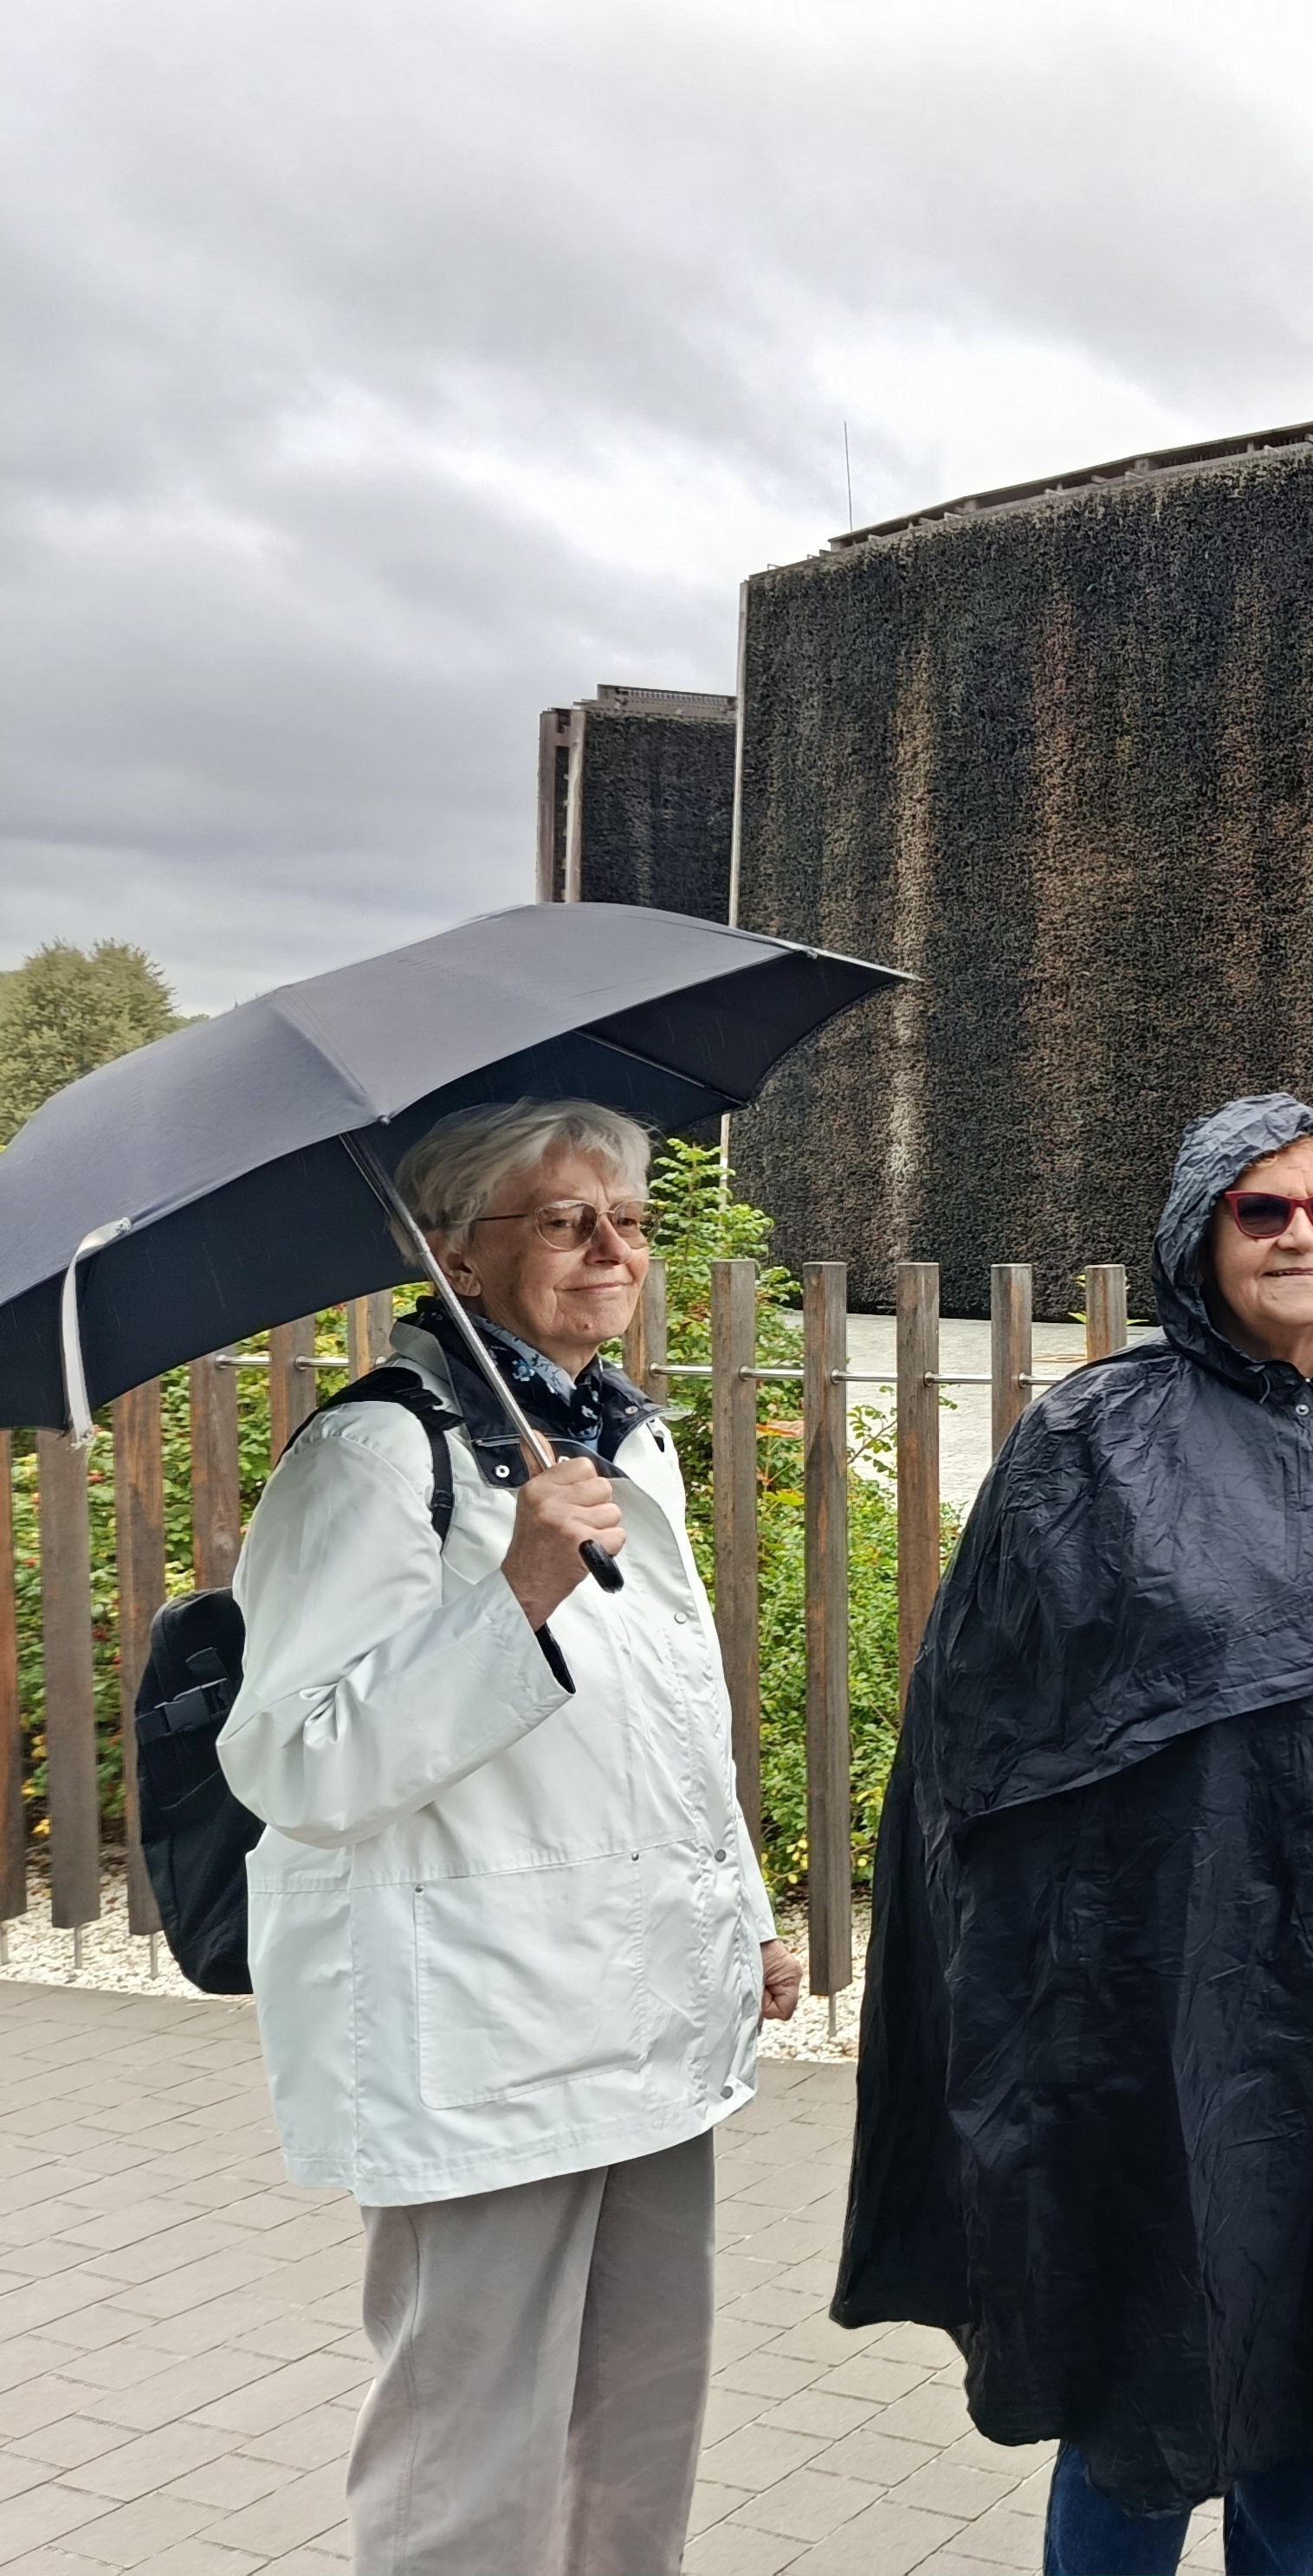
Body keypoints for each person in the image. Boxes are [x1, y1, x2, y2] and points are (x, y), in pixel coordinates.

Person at [835, 1094, 1313, 2576]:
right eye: (1268, 1212)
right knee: (1155, 2372)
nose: (1305, 1236)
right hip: (1168, 1996)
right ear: (1203, 1237)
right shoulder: (1094, 1442)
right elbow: (980, 1754)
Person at [221, 1096, 799, 2576]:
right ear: (457, 1261)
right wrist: (517, 1593)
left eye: (629, 1223)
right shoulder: (372, 1456)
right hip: (481, 2037)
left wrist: (736, 1915)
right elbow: (293, 1758)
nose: (612, 1250)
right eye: (562, 1221)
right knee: (466, 2466)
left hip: (644, 2016)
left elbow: (669, 1726)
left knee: (635, 2432)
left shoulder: (613, 1442)